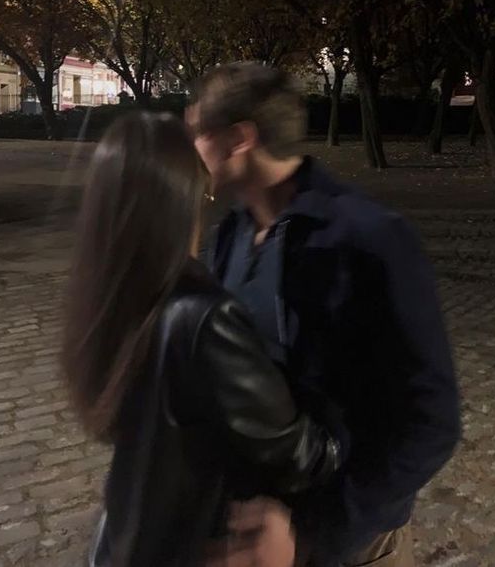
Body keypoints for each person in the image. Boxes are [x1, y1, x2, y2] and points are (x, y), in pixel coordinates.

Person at [187, 63, 461, 567]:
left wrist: (314, 533)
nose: (192, 146)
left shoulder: (370, 238)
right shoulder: (229, 235)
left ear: (239, 140)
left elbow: (431, 419)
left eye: (198, 130)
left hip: (345, 543)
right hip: (252, 529)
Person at [61, 111, 341, 567]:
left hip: (121, 543)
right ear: (187, 197)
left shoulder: (110, 301)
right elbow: (298, 455)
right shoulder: (202, 318)